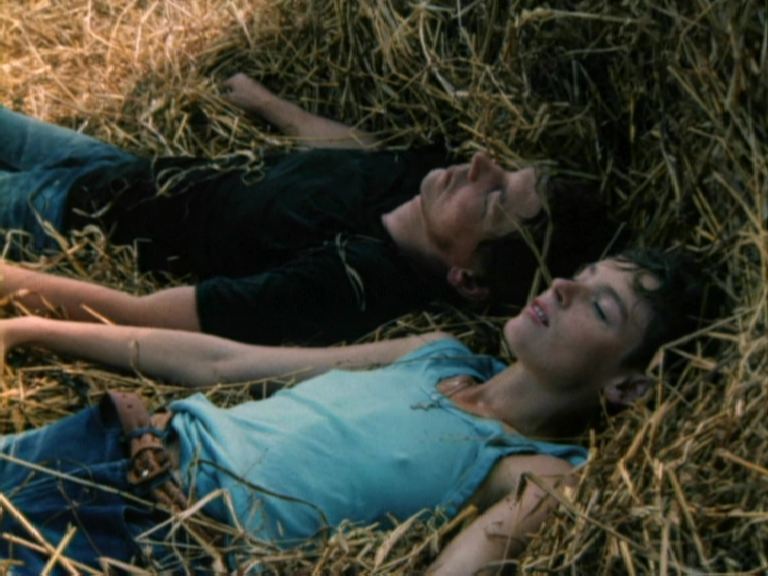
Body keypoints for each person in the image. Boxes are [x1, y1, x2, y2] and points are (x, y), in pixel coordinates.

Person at [0, 248, 702, 574]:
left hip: (157, 545)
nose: (563, 287)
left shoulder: (537, 471)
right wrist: (31, 329)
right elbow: (227, 362)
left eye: (600, 306)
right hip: (115, 441)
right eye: (581, 274)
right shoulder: (435, 353)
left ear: (629, 388)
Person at [0, 74, 612, 345]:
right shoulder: (418, 185)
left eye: (496, 199)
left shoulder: (351, 283)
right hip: (120, 167)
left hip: (73, 218)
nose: (479, 164)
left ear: (468, 279)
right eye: (502, 167)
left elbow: (179, 316)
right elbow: (357, 149)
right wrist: (270, 105)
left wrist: (19, 285)